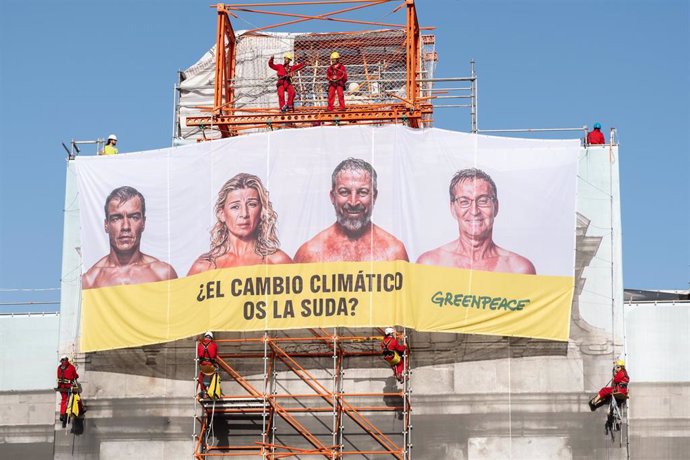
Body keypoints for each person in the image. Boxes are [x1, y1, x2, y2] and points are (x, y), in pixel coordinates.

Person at [416, 168, 536, 274]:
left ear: (496, 206)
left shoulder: (518, 269)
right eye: (464, 202)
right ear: (453, 208)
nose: (474, 211)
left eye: (483, 200)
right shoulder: (430, 264)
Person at [293, 158, 408, 262]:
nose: (353, 202)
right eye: (344, 192)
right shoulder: (310, 253)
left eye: (362, 192)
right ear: (333, 197)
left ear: (374, 197)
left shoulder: (394, 252)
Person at [188, 173, 292, 275]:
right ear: (221, 214)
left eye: (252, 204)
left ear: (261, 211)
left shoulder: (278, 262)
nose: (244, 214)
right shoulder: (204, 267)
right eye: (235, 207)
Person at [82, 186, 178, 289]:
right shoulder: (89, 281)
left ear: (143, 223)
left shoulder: (163, 275)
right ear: (106, 225)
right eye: (116, 218)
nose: (126, 227)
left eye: (134, 217)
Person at [56, 355, 79, 428]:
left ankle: (62, 414)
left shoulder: (59, 368)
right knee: (69, 401)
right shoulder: (71, 367)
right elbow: (75, 376)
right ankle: (65, 414)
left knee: (64, 400)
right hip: (68, 387)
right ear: (67, 360)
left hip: (61, 387)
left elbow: (58, 376)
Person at [197, 331, 218, 398]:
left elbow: (199, 355)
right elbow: (215, 356)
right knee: (213, 377)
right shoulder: (214, 345)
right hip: (210, 365)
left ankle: (203, 390)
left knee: (201, 377)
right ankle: (211, 390)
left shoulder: (200, 344)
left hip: (202, 366)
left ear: (205, 337)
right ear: (211, 337)